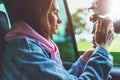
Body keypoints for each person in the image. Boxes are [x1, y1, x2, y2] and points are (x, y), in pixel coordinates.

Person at [1, 0, 114, 80]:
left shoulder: (37, 46)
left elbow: (60, 77)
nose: (59, 20)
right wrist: (102, 48)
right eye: (55, 12)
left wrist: (83, 61)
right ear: (39, 13)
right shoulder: (25, 50)